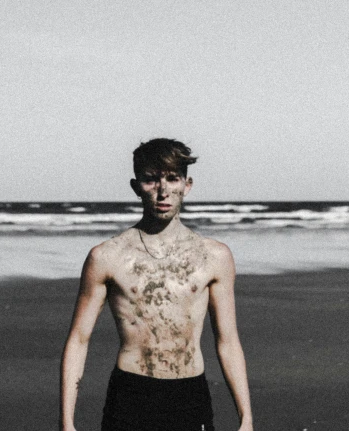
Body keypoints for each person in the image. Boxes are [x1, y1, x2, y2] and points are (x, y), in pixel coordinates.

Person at [60, 138, 253, 431]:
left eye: (172, 179)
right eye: (151, 180)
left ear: (187, 185)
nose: (163, 190)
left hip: (190, 395)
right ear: (136, 186)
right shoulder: (107, 257)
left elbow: (228, 342)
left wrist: (246, 418)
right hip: (131, 395)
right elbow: (78, 339)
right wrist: (66, 421)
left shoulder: (214, 257)